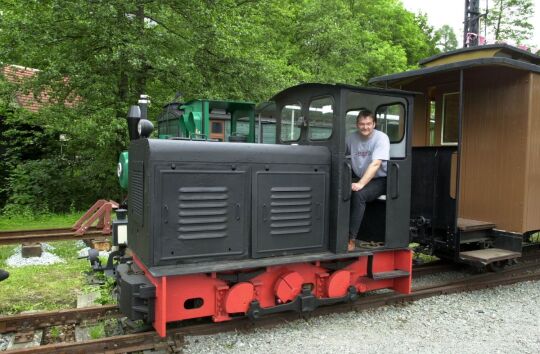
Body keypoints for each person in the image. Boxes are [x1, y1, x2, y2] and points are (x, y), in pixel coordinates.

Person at [346, 110, 390, 251]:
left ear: (374, 124)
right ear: (357, 124)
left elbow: (376, 164)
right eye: (362, 124)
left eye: (368, 124)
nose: (365, 127)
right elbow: (341, 154)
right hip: (360, 177)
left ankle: (351, 239)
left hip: (380, 179)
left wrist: (360, 184)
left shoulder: (381, 138)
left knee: (359, 195)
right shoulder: (351, 138)